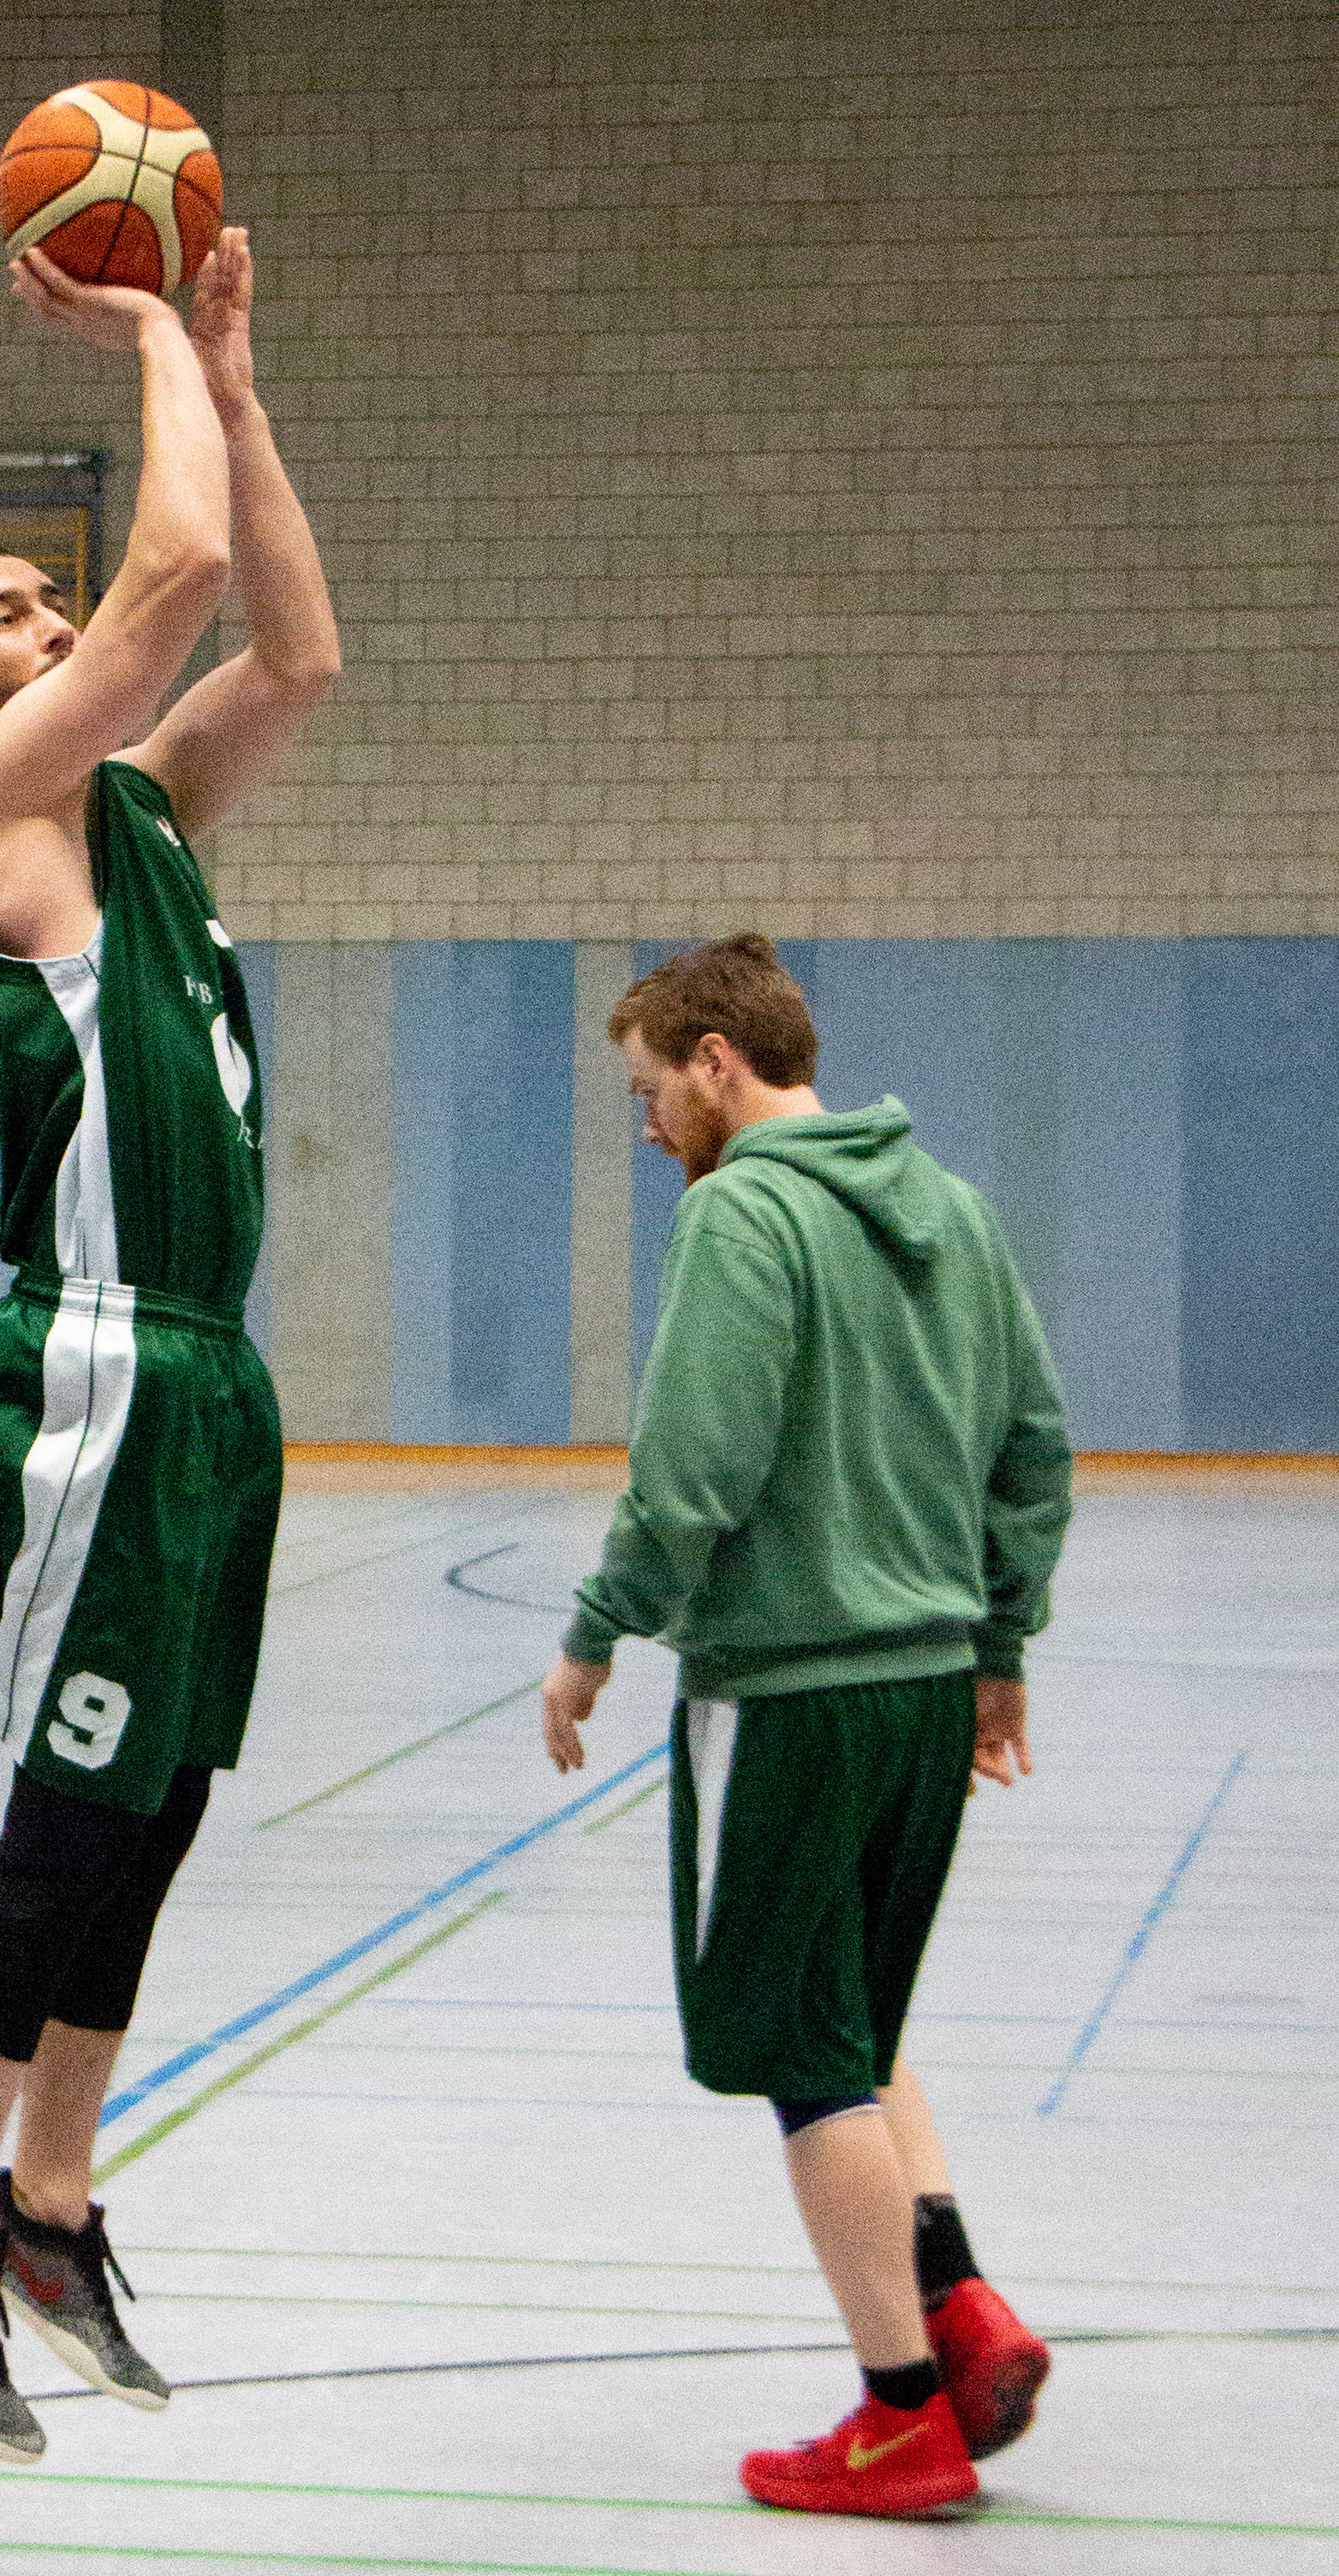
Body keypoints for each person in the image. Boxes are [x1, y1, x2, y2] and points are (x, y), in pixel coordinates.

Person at [0, 227, 339, 2466]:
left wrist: (237, 376)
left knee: (160, 1803)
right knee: (64, 1815)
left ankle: (47, 2206)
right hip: (102, 1365)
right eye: (1, 613)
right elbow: (179, 578)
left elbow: (291, 646)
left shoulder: (138, 814)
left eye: (49, 596)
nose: (46, 617)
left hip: (216, 1372)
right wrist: (142, 327)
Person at [541, 934, 1072, 2519]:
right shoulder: (952, 1208)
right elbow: (1033, 1447)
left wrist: (594, 1633)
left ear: (717, 1061)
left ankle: (900, 2412)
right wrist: (997, 1647)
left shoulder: (742, 1212)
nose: (648, 1127)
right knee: (847, 2013)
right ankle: (957, 2305)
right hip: (923, 1692)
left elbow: (694, 1461)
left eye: (649, 1091)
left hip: (787, 1691)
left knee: (792, 2045)